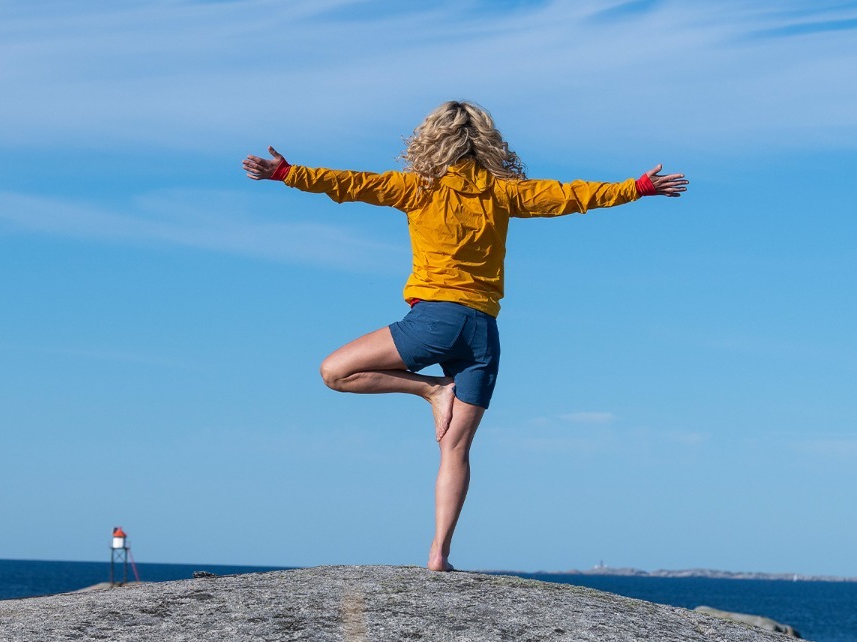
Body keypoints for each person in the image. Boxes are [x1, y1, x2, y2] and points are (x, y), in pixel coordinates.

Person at [243, 101, 687, 572]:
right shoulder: (504, 192)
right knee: (455, 449)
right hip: (482, 333)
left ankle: (431, 389)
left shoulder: (417, 188)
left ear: (430, 139)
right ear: (487, 141)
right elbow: (571, 195)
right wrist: (636, 188)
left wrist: (285, 173)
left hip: (436, 321)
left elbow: (350, 184)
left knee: (334, 372)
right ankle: (439, 553)